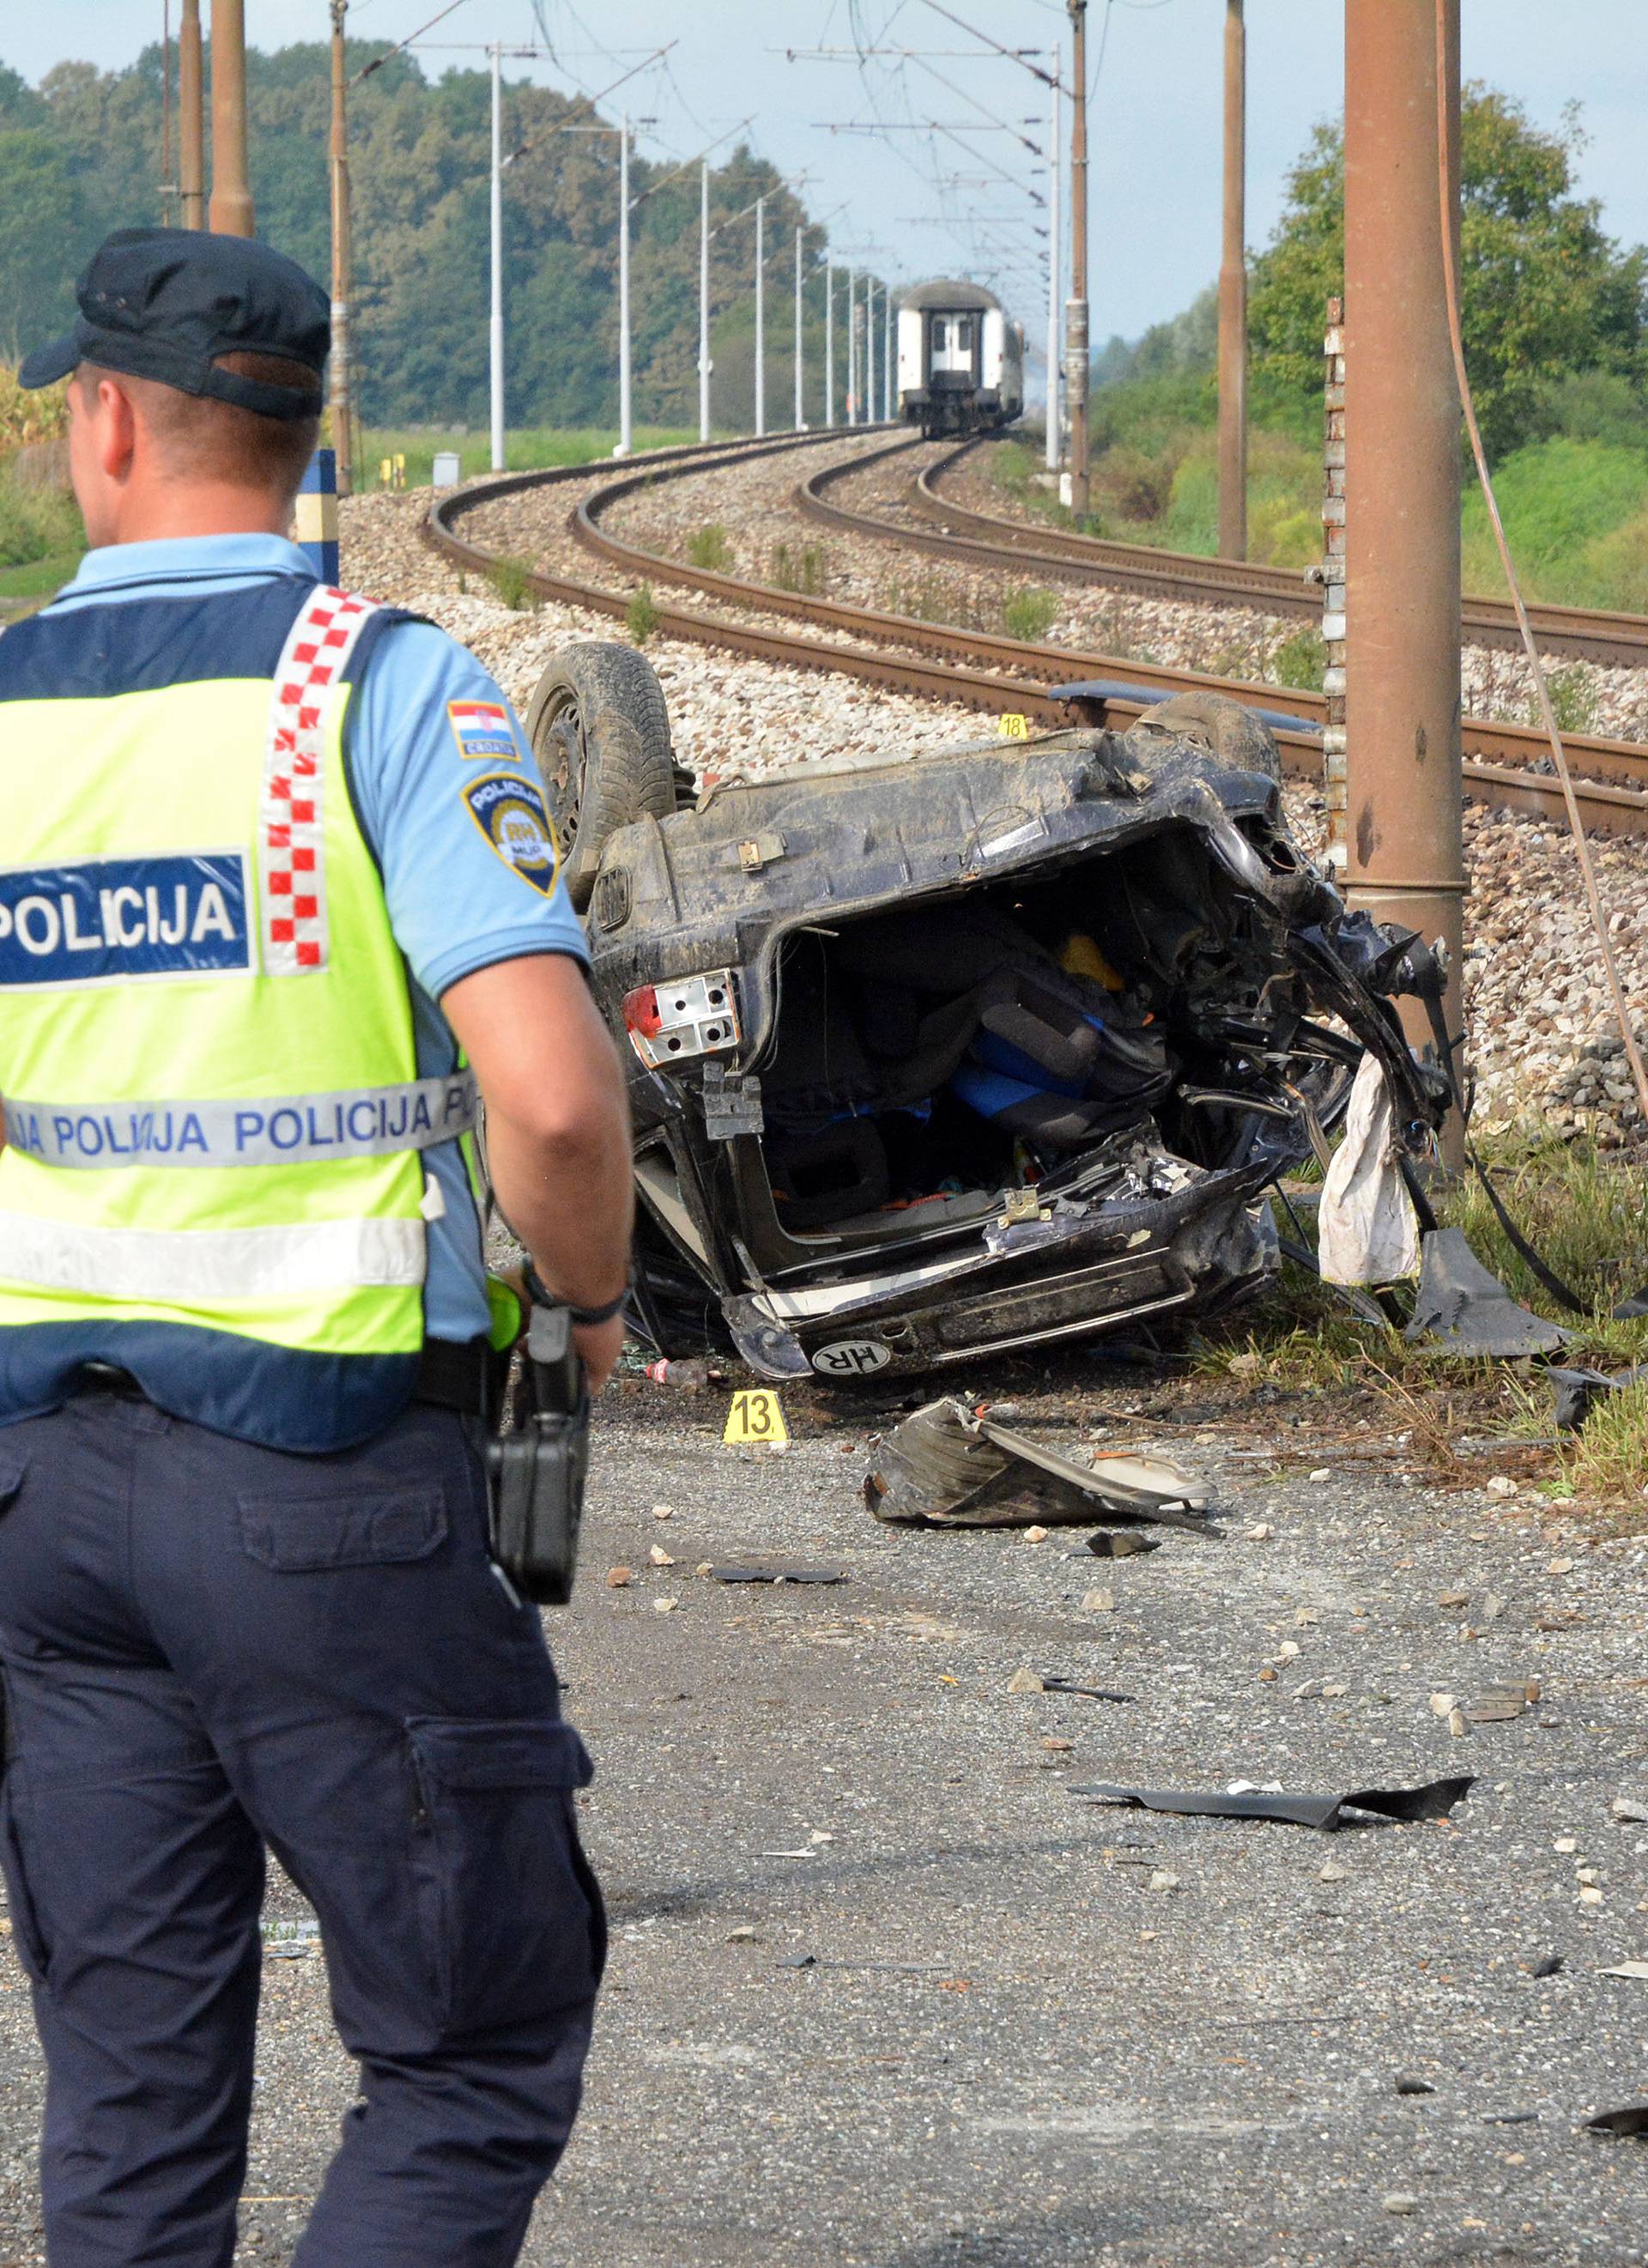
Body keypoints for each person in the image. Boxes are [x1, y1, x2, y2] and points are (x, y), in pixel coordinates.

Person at [0, 227, 633, 2267]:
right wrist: (594, 1293)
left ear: (98, 421)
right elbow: (548, 1099)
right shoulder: (376, 688)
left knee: (130, 2096)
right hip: (324, 1485)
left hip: (41, 1502)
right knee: (469, 2043)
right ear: (304, 437)